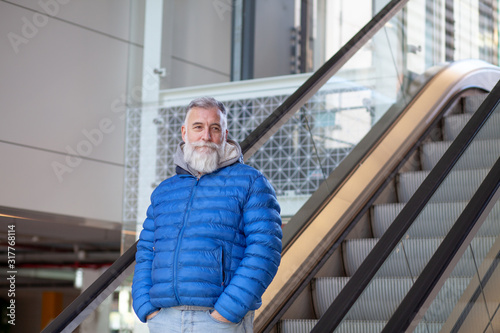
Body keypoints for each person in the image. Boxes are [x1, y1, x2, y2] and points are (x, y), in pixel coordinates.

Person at [132, 97, 283, 332]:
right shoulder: (164, 191)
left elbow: (265, 250)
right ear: (184, 133)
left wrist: (227, 311)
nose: (206, 136)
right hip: (164, 320)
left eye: (215, 128)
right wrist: (145, 306)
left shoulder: (251, 181)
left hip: (219, 321)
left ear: (225, 134)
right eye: (198, 127)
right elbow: (146, 250)